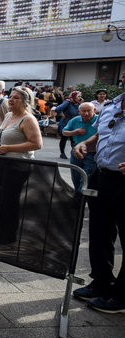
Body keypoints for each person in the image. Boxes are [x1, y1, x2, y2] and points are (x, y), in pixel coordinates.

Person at [71, 71, 125, 313]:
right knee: (100, 231)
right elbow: (100, 135)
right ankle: (101, 282)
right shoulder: (112, 105)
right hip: (103, 177)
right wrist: (85, 144)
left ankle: (122, 295)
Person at [0, 86, 43, 243]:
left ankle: (8, 234)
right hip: (2, 163)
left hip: (18, 166)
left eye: (16, 98)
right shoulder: (8, 115)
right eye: (10, 96)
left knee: (10, 199)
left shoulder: (28, 119)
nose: (11, 100)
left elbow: (36, 144)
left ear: (26, 102)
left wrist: (8, 148)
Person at [62, 102, 98, 193]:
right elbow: (64, 132)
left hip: (93, 152)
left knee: (86, 177)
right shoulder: (75, 120)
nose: (86, 113)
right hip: (76, 151)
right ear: (79, 111)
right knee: (76, 175)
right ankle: (79, 195)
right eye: (83, 111)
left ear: (94, 110)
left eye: (89, 111)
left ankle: (79, 197)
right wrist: (74, 132)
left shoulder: (99, 120)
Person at [54, 90, 81, 159]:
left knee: (73, 139)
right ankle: (62, 153)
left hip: (74, 123)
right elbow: (57, 108)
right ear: (74, 97)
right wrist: (62, 115)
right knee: (64, 138)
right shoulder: (68, 102)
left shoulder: (77, 104)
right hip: (66, 123)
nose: (80, 98)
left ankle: (74, 153)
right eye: (79, 96)